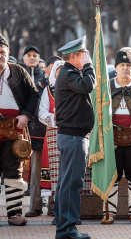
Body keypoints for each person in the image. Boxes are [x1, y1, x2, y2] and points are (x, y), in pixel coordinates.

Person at [100, 47, 131, 225]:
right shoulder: (106, 87)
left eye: (128, 65)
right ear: (116, 67)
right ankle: (110, 213)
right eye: (122, 64)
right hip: (111, 140)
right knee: (112, 177)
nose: (125, 68)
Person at [54, 35, 95, 239]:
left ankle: (64, 227)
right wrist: (89, 67)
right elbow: (88, 85)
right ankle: (67, 229)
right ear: (75, 56)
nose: (87, 57)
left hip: (71, 136)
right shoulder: (69, 73)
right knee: (71, 184)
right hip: (73, 137)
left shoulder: (69, 73)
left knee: (66, 182)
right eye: (84, 54)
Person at [0, 33, 39, 226]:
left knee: (13, 172)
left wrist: (26, 115)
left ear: (8, 53)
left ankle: (14, 214)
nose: (0, 55)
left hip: (14, 130)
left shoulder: (18, 72)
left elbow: (33, 95)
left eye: (2, 52)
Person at [20, 45, 47, 217]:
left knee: (46, 169)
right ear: (23, 58)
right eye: (28, 55)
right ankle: (35, 205)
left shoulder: (45, 76)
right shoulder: (18, 75)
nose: (32, 58)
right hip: (23, 128)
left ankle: (51, 206)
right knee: (30, 171)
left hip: (43, 128)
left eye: (35, 55)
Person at [39, 57, 64, 219]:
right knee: (55, 173)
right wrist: (56, 119)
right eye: (58, 71)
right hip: (54, 134)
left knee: (70, 172)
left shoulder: (75, 89)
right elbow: (42, 113)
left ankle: (71, 211)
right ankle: (57, 211)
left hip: (72, 133)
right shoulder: (48, 90)